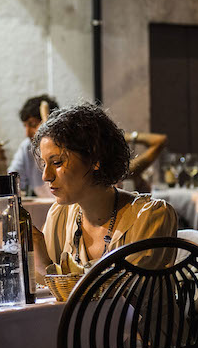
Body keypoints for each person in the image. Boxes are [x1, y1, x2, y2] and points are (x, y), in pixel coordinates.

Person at [30, 102, 178, 277]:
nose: (46, 176)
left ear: (94, 158)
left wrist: (46, 267)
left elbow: (120, 297)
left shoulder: (151, 217)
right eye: (44, 164)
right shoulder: (60, 214)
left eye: (57, 163)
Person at [0, 94, 59, 198]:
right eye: (25, 126)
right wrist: (1, 162)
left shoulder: (64, 145)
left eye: (32, 124)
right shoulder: (27, 147)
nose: (27, 133)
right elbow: (11, 186)